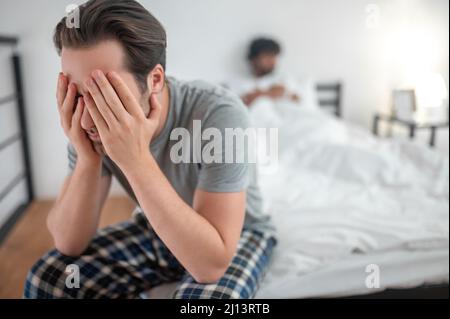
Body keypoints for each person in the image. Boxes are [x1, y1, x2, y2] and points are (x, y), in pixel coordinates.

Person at [24, 0, 276, 299]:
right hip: (158, 228)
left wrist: (135, 159)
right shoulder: (86, 124)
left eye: (106, 94)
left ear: (154, 80)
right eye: (76, 93)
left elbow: (210, 265)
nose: (89, 116)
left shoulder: (218, 113)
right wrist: (88, 157)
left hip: (236, 234)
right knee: (49, 278)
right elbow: (68, 243)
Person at [233, 37, 302, 107]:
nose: (272, 61)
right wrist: (270, 93)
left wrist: (258, 95)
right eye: (267, 56)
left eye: (274, 56)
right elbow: (239, 104)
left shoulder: (284, 79)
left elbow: (297, 100)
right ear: (254, 58)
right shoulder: (238, 84)